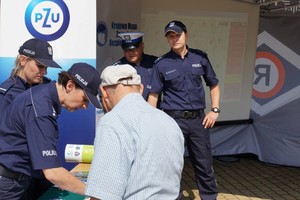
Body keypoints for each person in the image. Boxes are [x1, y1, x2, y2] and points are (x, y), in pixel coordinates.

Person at [0, 62, 102, 200]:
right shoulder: (41, 108)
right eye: (85, 99)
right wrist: (94, 193)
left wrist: (64, 179)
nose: (85, 106)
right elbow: (52, 172)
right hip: (8, 185)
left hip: (20, 179)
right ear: (70, 86)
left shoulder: (43, 95)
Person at [85, 64, 185, 200]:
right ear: (141, 89)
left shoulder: (112, 122)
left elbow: (103, 195)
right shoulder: (169, 121)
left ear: (104, 91)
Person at [147, 20, 220, 200]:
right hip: (173, 121)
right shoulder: (161, 63)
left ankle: (209, 197)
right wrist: (150, 123)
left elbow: (214, 84)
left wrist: (215, 110)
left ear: (186, 35)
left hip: (198, 121)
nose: (174, 39)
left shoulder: (200, 57)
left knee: (204, 164)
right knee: (172, 165)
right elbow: (154, 95)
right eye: (170, 36)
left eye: (177, 35)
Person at [0, 38, 62, 199]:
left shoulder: (45, 89)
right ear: (23, 60)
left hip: (37, 176)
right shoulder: (7, 95)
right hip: (12, 180)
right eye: (40, 66)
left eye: (46, 67)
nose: (44, 72)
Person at [114, 32, 158, 100]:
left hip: (152, 108)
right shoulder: (118, 68)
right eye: (126, 50)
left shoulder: (155, 63)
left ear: (142, 46)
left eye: (133, 49)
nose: (130, 53)